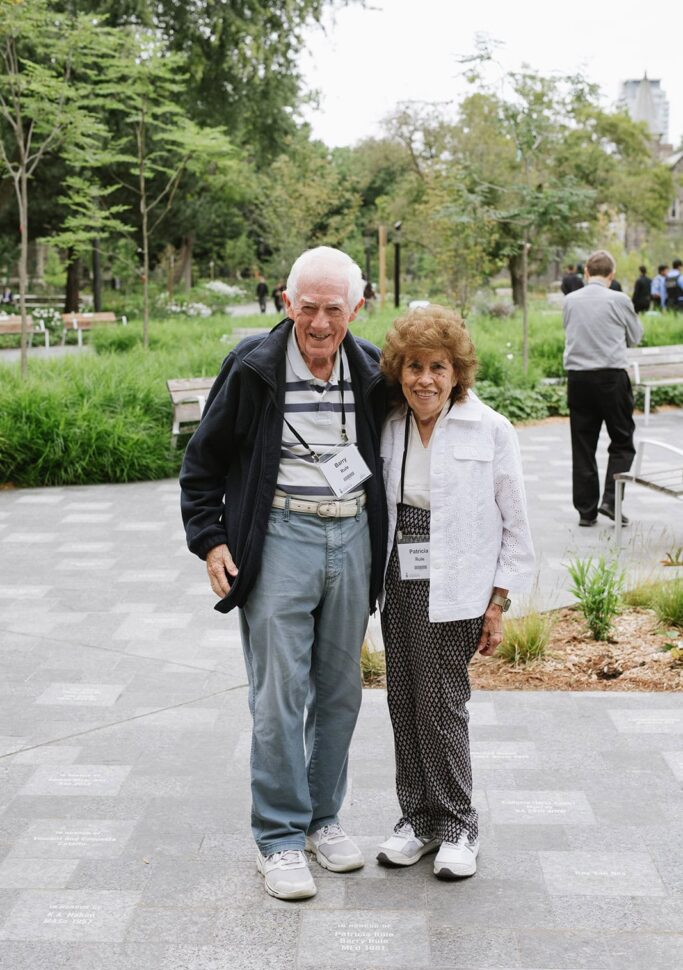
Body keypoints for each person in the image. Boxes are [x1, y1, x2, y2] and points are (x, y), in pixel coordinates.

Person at [180, 246, 387, 900]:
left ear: (356, 308)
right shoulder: (253, 367)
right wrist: (211, 541)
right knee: (277, 695)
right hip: (279, 534)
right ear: (285, 304)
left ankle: (323, 820)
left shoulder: (372, 370)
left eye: (333, 309)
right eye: (307, 308)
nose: (320, 323)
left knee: (339, 692)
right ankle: (277, 837)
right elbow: (201, 463)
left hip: (351, 534)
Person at [375, 305, 534, 880]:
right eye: (414, 366)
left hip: (460, 583)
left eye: (437, 367)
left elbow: (516, 525)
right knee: (403, 700)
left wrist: (498, 602)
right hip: (400, 576)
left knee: (443, 703)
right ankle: (416, 820)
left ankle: (459, 824)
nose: (424, 379)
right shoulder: (391, 425)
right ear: (399, 370)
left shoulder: (489, 428)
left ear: (456, 371)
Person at [563, 250, 643, 528]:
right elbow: (636, 336)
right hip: (612, 378)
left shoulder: (570, 301)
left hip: (578, 379)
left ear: (586, 271)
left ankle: (586, 511)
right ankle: (611, 500)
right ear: (612, 275)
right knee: (622, 440)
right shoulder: (619, 300)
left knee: (583, 444)